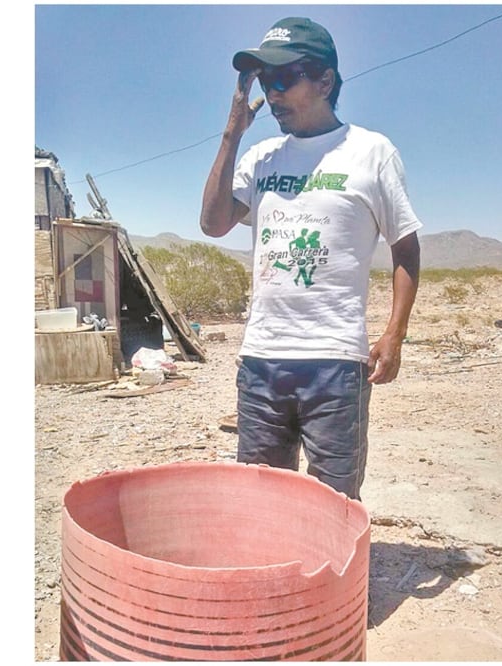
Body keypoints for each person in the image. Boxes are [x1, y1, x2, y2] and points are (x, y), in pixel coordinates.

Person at [200, 17, 422, 501]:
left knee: (334, 502)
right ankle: (273, 579)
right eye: (264, 80)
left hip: (335, 361)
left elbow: (405, 247)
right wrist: (231, 134)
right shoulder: (261, 157)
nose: (272, 93)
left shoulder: (371, 152)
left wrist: (394, 333)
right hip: (262, 358)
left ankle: (335, 579)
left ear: (325, 80)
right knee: (260, 498)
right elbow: (213, 223)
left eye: (284, 78)